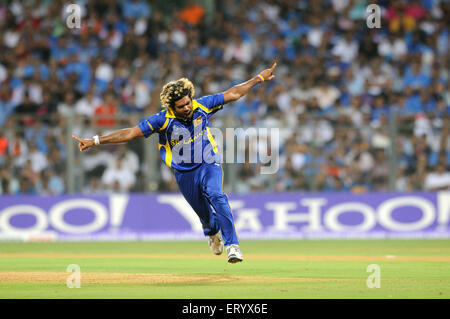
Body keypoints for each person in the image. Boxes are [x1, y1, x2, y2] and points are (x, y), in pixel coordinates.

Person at [72, 62, 277, 263]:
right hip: (184, 173)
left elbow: (233, 93)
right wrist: (96, 140)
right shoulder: (161, 120)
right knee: (205, 216)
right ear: (172, 107)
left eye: (188, 103)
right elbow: (131, 132)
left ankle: (233, 246)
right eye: (181, 106)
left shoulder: (201, 105)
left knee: (217, 195)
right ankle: (212, 233)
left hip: (208, 162)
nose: (187, 108)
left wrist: (259, 78)